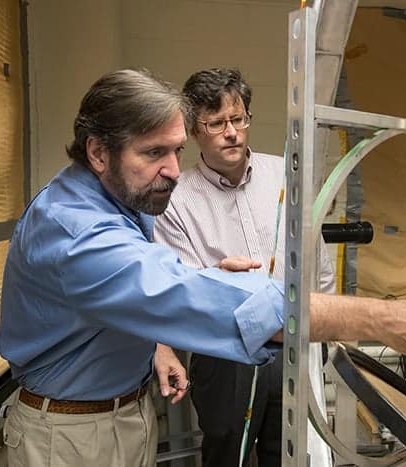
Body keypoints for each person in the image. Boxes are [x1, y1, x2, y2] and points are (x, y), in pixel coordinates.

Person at [0, 68, 406, 467]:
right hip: (70, 435)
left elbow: (139, 292)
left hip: (123, 412)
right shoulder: (75, 231)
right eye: (155, 153)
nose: (173, 171)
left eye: (174, 151)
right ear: (97, 152)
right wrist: (384, 320)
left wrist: (163, 333)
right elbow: (173, 290)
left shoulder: (119, 200)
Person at [153, 68, 334, 467]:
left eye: (238, 119)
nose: (231, 132)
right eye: (216, 123)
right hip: (225, 354)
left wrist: (323, 332)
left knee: (287, 451)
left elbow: (318, 263)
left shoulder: (286, 175)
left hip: (292, 346)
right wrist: (219, 275)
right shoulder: (176, 198)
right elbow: (177, 288)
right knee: (226, 451)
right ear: (194, 130)